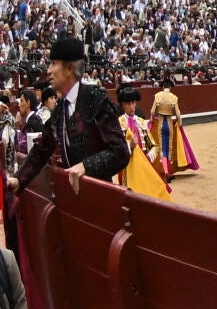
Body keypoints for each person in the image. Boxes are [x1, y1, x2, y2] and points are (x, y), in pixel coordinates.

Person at [7, 37, 131, 198]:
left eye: (54, 63)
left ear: (69, 68)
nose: (49, 70)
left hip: (100, 199)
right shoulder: (60, 109)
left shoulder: (95, 98)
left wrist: (86, 166)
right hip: (74, 200)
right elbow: (42, 150)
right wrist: (18, 179)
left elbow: (120, 152)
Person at [114, 86, 170, 200]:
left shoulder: (141, 122)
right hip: (126, 167)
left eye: (133, 103)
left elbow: (154, 146)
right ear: (123, 105)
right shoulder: (118, 123)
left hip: (143, 165)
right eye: (128, 104)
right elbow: (115, 149)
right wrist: (129, 146)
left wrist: (148, 158)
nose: (131, 107)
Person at [149, 79, 198, 181]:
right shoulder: (173, 97)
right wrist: (179, 125)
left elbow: (152, 111)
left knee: (163, 148)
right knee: (169, 148)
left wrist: (151, 119)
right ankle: (168, 172)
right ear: (170, 87)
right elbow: (178, 114)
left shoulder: (158, 96)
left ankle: (166, 172)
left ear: (163, 87)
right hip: (169, 124)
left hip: (161, 124)